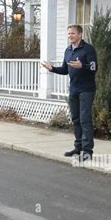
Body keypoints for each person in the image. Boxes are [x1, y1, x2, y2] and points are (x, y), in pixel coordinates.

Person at [42, 24, 98, 162]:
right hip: (73, 89)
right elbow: (65, 70)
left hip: (86, 89)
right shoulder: (68, 51)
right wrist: (52, 68)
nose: (70, 36)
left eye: (72, 33)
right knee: (76, 119)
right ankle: (78, 147)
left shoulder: (88, 49)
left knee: (85, 120)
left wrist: (82, 66)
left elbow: (94, 67)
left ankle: (87, 151)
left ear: (80, 34)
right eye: (68, 34)